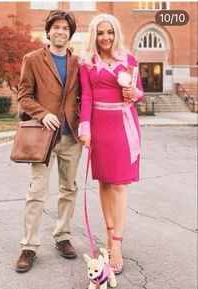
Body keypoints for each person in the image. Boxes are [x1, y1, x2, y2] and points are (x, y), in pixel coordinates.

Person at [15, 9, 82, 273]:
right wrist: (43, 115)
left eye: (65, 28)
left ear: (70, 33)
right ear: (48, 31)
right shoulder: (32, 59)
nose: (60, 32)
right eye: (56, 27)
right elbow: (24, 96)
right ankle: (29, 246)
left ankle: (62, 236)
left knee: (69, 189)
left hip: (71, 137)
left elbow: (84, 96)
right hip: (43, 138)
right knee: (36, 193)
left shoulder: (78, 62)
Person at [78, 14, 144, 275]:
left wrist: (133, 93)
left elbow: (139, 93)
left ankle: (117, 243)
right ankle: (108, 232)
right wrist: (85, 128)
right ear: (94, 35)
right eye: (101, 33)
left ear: (116, 34)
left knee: (119, 184)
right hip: (98, 127)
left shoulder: (128, 60)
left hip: (122, 125)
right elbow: (85, 96)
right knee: (104, 182)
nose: (106, 38)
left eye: (110, 32)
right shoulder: (86, 62)